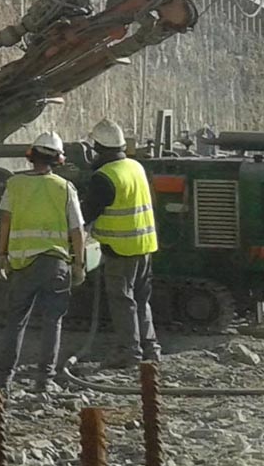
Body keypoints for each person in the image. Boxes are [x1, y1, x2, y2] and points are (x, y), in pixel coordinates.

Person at [0, 132, 86, 394]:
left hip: (22, 265)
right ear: (58, 159)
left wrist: (1, 254)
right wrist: (78, 264)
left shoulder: (15, 184)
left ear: (31, 156)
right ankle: (44, 380)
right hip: (56, 264)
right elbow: (77, 230)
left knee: (16, 321)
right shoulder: (65, 188)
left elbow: (5, 221)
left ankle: (2, 379)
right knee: (52, 321)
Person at [82, 118, 161, 369]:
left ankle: (129, 352)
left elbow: (87, 213)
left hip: (120, 249)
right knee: (140, 299)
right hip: (145, 245)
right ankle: (150, 349)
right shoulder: (135, 167)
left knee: (122, 301)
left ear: (99, 148)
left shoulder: (105, 177)